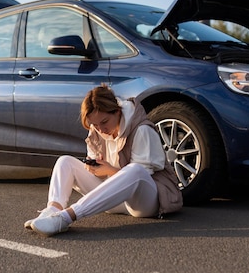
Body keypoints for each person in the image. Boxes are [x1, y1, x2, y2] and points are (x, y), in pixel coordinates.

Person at [25, 84, 183, 237]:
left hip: (145, 203)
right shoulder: (96, 130)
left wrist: (109, 170)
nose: (100, 129)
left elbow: (141, 178)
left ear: (117, 112)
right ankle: (51, 212)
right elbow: (97, 167)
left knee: (136, 170)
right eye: (94, 124)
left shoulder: (142, 130)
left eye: (104, 122)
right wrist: (94, 169)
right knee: (65, 161)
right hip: (114, 200)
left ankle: (64, 218)